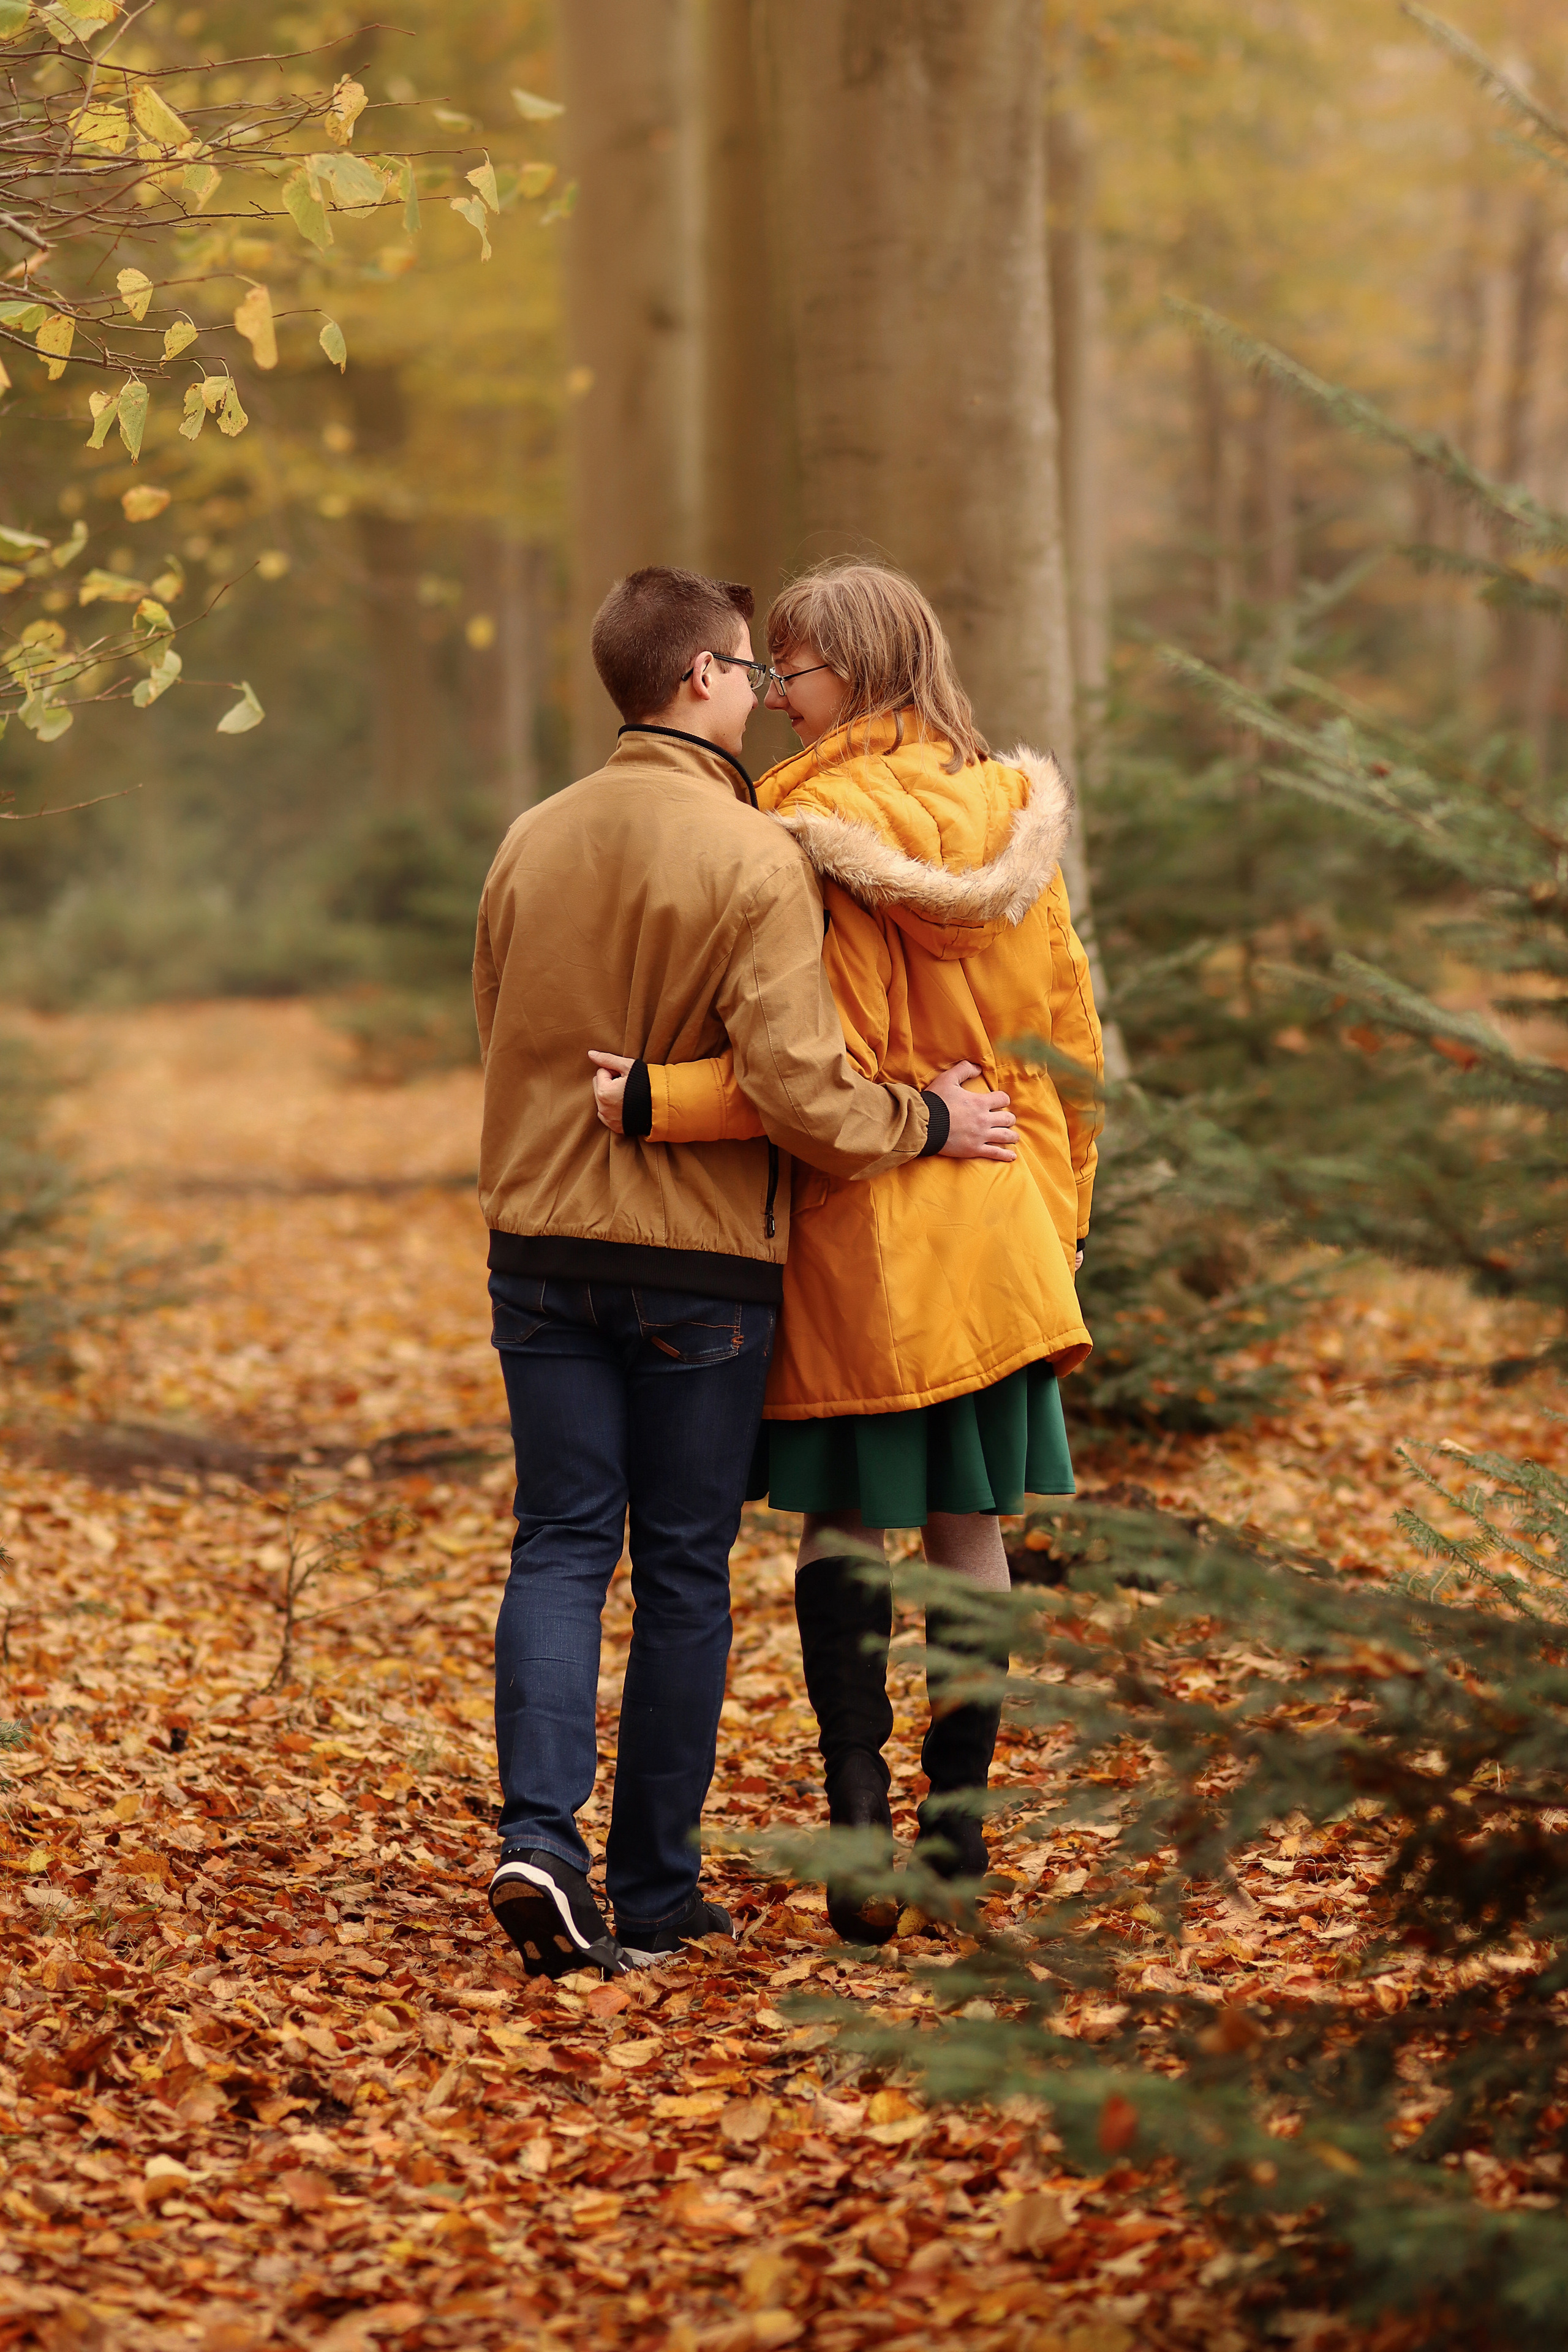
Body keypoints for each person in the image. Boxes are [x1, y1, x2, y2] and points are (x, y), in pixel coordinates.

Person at [473, 563, 1015, 1980]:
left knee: (557, 1544)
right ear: (706, 677)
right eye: (748, 671)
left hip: (535, 1242)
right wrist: (929, 1120)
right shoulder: (752, 851)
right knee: (684, 1574)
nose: (765, 694)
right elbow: (800, 1088)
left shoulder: (528, 837)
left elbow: (498, 1025)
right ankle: (652, 1896)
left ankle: (538, 1836)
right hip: (699, 1266)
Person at [591, 561, 1102, 1943]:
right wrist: (1054, 1223)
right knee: (970, 1531)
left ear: (849, 671)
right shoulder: (1013, 818)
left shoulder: (797, 824)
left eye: (793, 667)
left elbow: (789, 1068)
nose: (773, 690)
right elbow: (1069, 1050)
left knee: (842, 1528)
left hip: (858, 1223)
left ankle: (856, 1822)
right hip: (995, 1226)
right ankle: (956, 1837)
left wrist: (651, 1099)